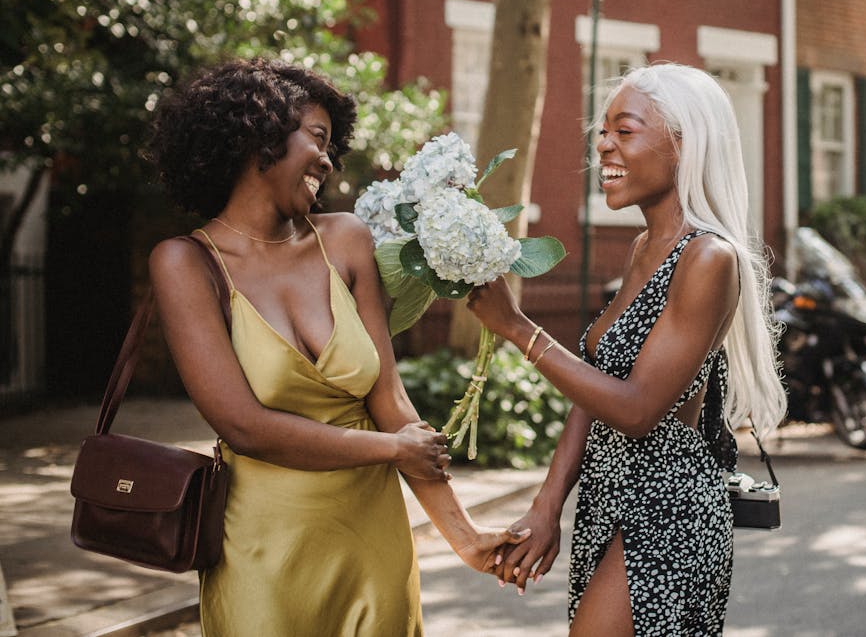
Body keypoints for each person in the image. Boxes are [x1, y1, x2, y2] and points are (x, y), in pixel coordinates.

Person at [146, 59, 526, 636]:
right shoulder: (185, 263)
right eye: (317, 138)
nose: (327, 160)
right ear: (259, 132)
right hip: (262, 550)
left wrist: (466, 538)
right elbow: (245, 425)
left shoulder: (346, 239)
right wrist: (390, 451)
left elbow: (390, 402)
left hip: (372, 542)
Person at [467, 62, 787, 635]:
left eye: (626, 130)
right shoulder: (645, 247)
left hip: (668, 507)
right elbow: (596, 387)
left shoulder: (708, 258)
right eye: (603, 130)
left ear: (684, 144)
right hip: (607, 501)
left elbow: (636, 409)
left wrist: (519, 330)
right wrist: (547, 506)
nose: (604, 145)